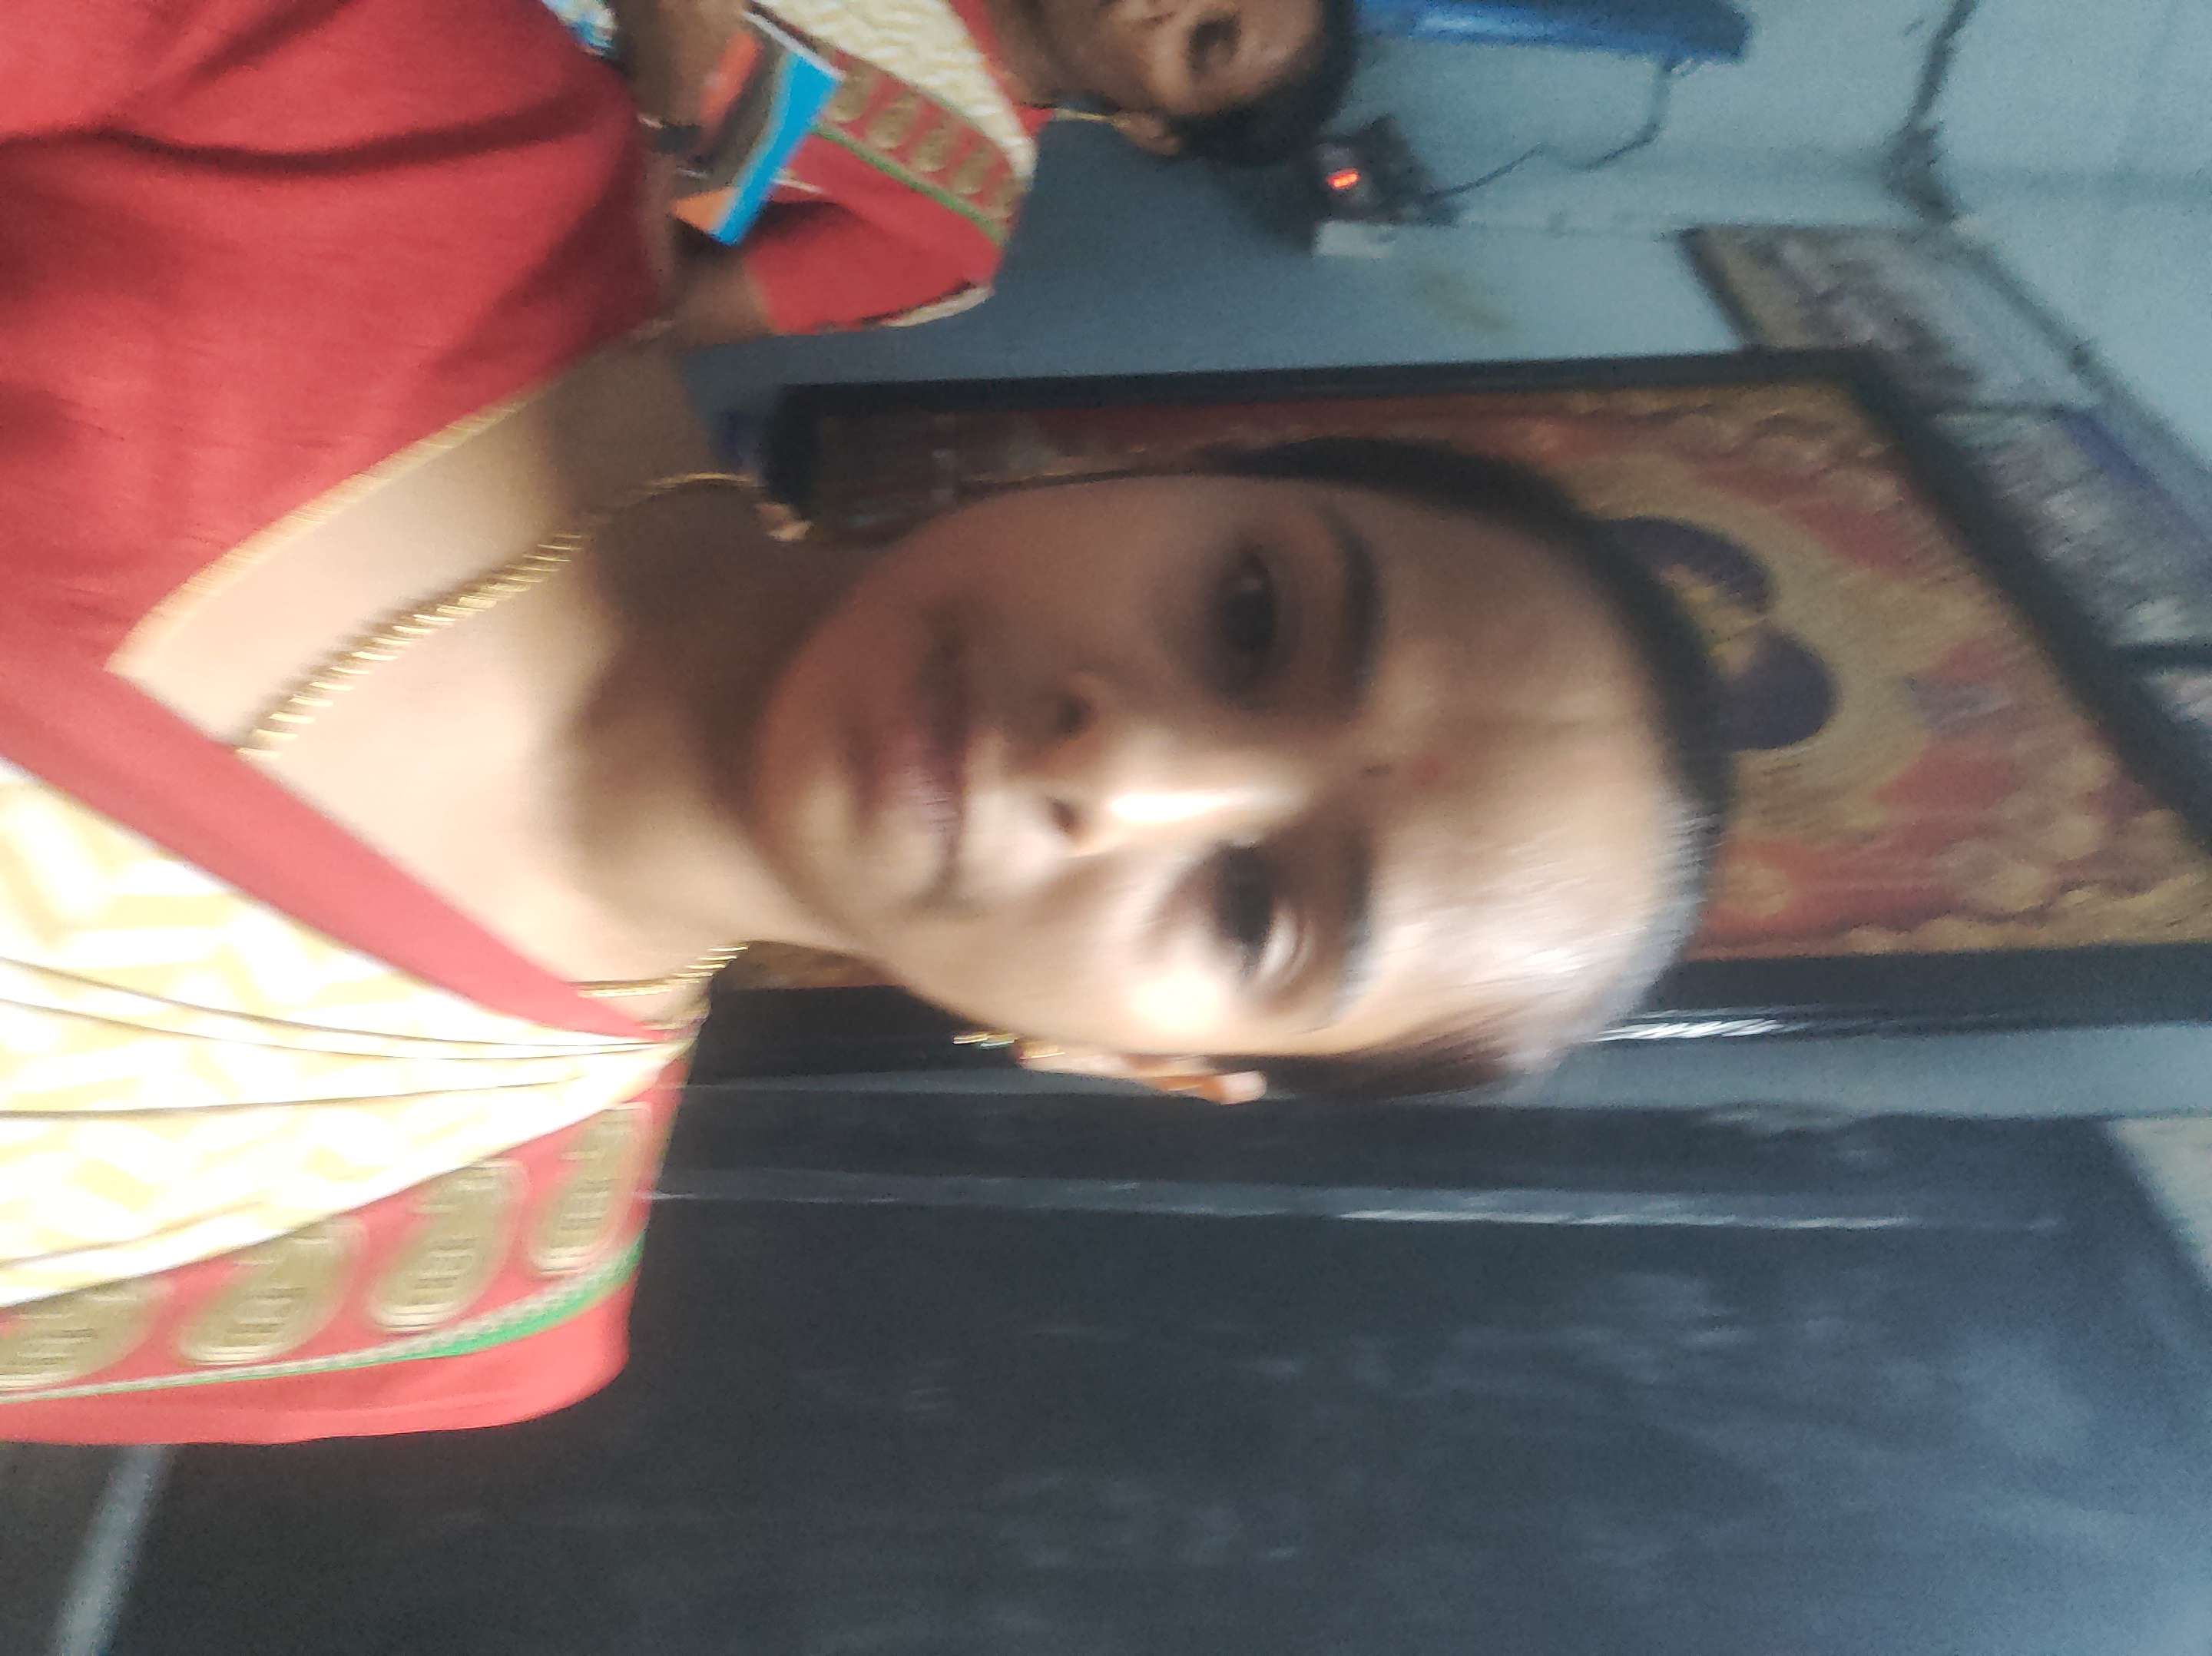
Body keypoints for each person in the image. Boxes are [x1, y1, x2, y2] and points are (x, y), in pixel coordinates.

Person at [0, 0, 1723, 1442]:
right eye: (1253, 615)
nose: (1119, 764)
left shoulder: (431, 1283)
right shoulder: (415, 142)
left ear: (1156, 1066)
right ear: (1164, 474)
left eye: (1257, 907)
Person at [595, 0, 1358, 339]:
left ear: (1150, 128)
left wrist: (673, 99)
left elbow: (642, 326)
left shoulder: (952, 222)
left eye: (1204, 41)